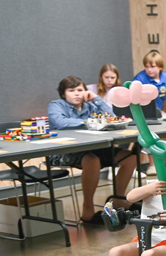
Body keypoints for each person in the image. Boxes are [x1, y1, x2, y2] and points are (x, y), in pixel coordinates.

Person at [47, 76, 136, 224]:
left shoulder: (90, 105)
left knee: (130, 157)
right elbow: (61, 122)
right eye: (71, 90)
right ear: (63, 94)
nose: (76, 94)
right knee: (92, 161)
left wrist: (97, 99)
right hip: (64, 152)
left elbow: (112, 118)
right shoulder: (56, 105)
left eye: (80, 90)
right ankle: (87, 208)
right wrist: (91, 122)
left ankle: (118, 200)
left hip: (94, 149)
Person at [132, 51, 166, 117]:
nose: (149, 70)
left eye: (152, 66)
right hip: (142, 115)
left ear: (160, 67)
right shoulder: (139, 79)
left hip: (158, 113)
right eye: (146, 66)